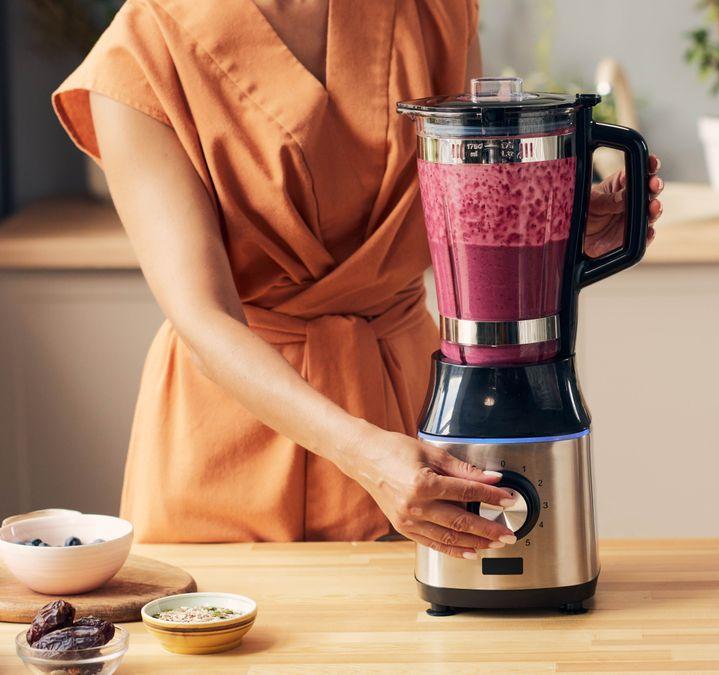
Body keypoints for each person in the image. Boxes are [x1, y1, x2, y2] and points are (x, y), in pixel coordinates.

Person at [52, 0, 663, 555]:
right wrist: (367, 454)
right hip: (234, 441)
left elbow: (454, 213)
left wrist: (551, 237)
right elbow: (203, 318)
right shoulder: (139, 53)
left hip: (414, 415)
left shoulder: (439, 11)